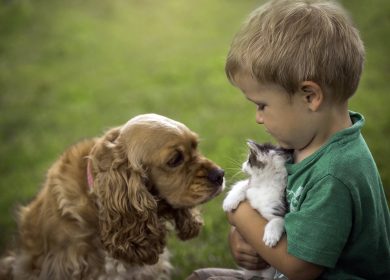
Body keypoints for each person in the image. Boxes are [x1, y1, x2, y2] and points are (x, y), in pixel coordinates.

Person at [186, 0, 390, 279]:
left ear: (310, 97)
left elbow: (300, 267)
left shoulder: (335, 173)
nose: (258, 118)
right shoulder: (303, 144)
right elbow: (272, 210)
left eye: (262, 105)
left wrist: (240, 216)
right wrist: (242, 237)